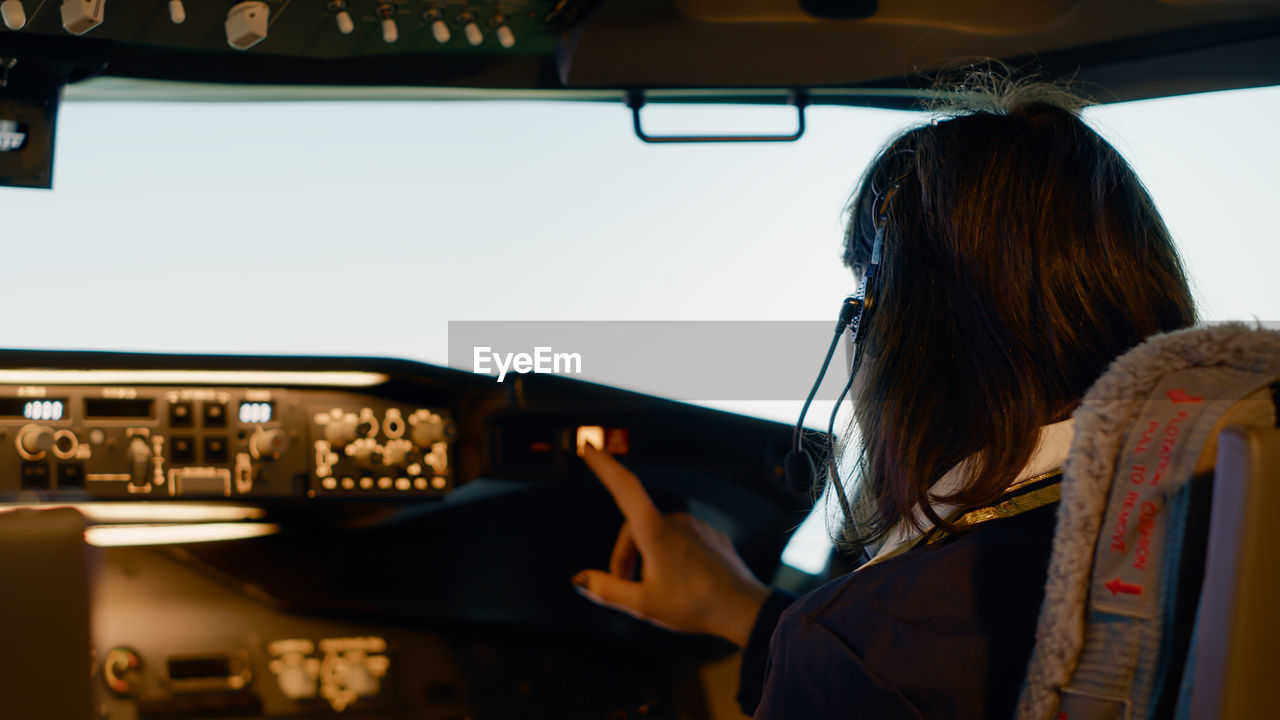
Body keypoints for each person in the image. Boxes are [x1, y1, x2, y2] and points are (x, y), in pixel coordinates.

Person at [569, 73, 1197, 718]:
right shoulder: (1213, 522)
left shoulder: (868, 642)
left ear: (893, 327)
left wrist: (813, 639)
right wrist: (740, 611)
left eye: (859, 299)